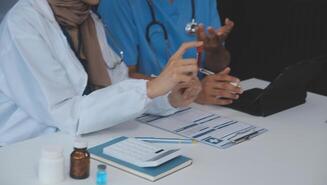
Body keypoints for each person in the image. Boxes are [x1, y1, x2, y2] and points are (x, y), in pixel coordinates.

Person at [0, 0, 202, 146]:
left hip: (77, 142)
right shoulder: (23, 23)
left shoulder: (88, 21)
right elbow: (67, 114)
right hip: (24, 150)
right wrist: (150, 89)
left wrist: (167, 98)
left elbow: (116, 88)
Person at [98, 0, 243, 106]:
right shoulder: (117, 4)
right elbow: (120, 78)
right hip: (145, 112)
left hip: (198, 110)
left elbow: (216, 66)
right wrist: (192, 91)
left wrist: (214, 50)